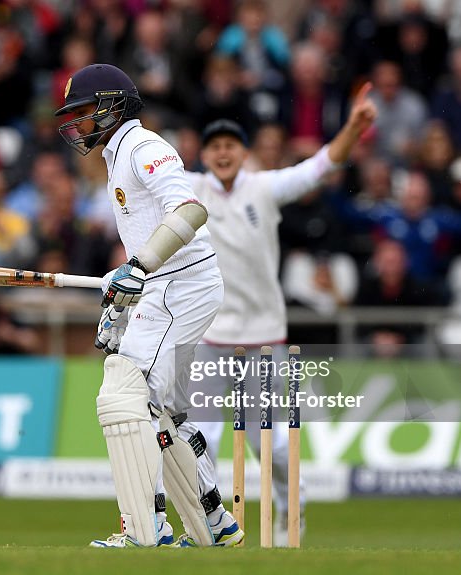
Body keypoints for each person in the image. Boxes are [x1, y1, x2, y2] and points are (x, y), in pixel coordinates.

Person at [56, 63, 239, 548]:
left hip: (182, 286)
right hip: (168, 287)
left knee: (125, 395)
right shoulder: (118, 156)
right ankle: (214, 525)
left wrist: (137, 268)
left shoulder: (143, 147)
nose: (77, 123)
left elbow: (190, 211)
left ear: (113, 105)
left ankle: (144, 528)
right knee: (170, 414)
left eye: (84, 111)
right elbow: (147, 241)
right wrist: (122, 295)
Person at [187, 84, 377, 546]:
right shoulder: (189, 190)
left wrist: (352, 127)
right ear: (205, 154)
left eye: (231, 145)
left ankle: (292, 513)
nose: (223, 153)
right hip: (211, 336)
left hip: (265, 336)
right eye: (215, 147)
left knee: (266, 446)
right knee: (201, 442)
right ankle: (204, 524)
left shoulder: (264, 187)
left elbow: (321, 167)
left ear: (244, 151)